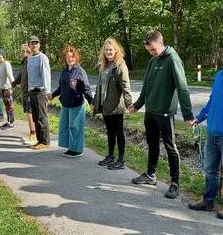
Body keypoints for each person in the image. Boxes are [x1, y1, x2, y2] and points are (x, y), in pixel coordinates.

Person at [128, 30, 194, 199]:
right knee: (152, 144)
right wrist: (137, 105)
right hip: (150, 111)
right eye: (149, 51)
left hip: (165, 113)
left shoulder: (173, 59)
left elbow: (182, 87)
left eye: (153, 50)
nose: (152, 54)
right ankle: (150, 175)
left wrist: (187, 114)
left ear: (160, 43)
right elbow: (146, 87)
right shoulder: (152, 61)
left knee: (171, 147)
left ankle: (175, 183)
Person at [188, 68, 223, 220]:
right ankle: (208, 201)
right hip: (212, 131)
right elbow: (212, 100)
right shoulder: (219, 74)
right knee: (210, 169)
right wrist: (200, 117)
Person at [93, 38, 132, 169]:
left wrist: (129, 103)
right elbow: (99, 86)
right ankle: (111, 156)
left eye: (111, 49)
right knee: (109, 131)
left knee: (118, 131)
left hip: (116, 105)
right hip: (105, 104)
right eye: (106, 50)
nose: (108, 52)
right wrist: (94, 101)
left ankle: (121, 160)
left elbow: (125, 85)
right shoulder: (103, 65)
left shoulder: (120, 65)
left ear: (116, 50)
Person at [49, 45, 92, 157]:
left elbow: (86, 88)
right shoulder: (64, 72)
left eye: (72, 57)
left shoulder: (80, 71)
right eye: (68, 57)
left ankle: (77, 150)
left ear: (76, 57)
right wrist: (52, 95)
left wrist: (91, 102)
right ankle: (70, 147)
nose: (70, 59)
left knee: (75, 127)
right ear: (65, 58)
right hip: (65, 103)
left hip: (76, 104)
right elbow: (60, 88)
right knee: (64, 126)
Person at [27, 36, 51, 150]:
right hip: (32, 91)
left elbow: (46, 75)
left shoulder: (42, 58)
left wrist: (47, 91)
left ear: (39, 45)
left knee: (42, 117)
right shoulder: (30, 58)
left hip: (41, 92)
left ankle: (45, 141)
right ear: (29, 45)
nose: (34, 45)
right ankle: (39, 140)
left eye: (36, 43)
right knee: (35, 117)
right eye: (32, 43)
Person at [12, 44, 36, 143]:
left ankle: (34, 134)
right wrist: (13, 83)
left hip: (30, 92)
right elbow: (21, 75)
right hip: (25, 92)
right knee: (29, 113)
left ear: (28, 52)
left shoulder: (31, 62)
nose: (21, 53)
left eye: (22, 51)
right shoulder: (25, 62)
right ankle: (32, 133)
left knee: (30, 114)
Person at [0, 48, 15, 130]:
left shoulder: (6, 64)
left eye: (0, 55)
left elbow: (10, 76)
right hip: (3, 88)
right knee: (6, 106)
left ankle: (11, 123)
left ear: (3, 55)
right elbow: (0, 76)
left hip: (7, 88)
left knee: (10, 106)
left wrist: (12, 87)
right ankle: (8, 121)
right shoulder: (1, 64)